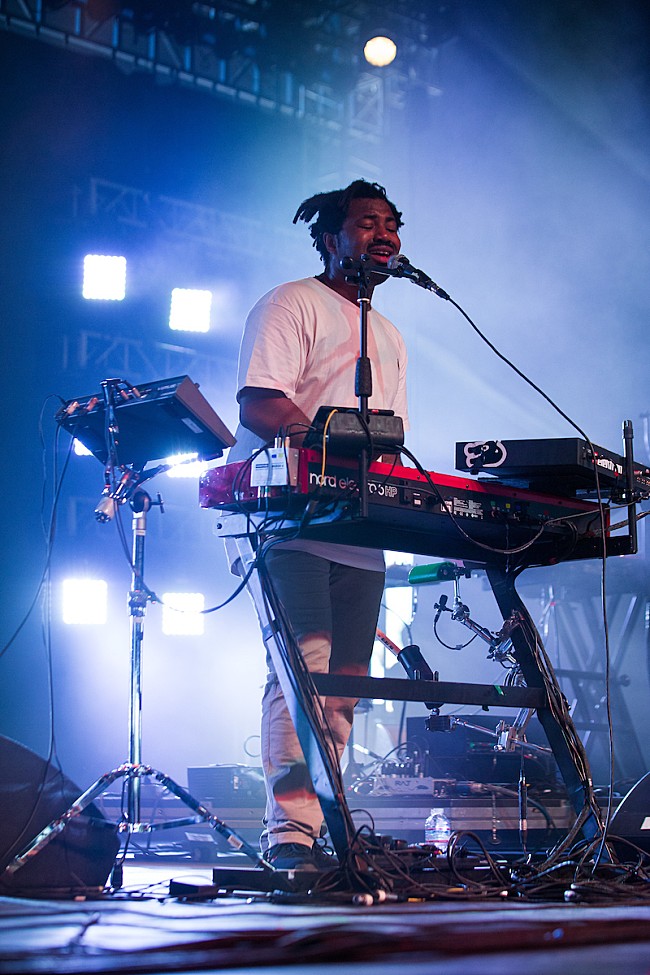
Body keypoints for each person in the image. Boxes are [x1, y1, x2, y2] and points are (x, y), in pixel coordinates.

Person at [227, 179, 409, 870]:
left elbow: (390, 437)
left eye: (392, 224)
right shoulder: (291, 302)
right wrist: (322, 446)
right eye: (368, 223)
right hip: (291, 518)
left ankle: (328, 819)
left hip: (360, 527)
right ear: (330, 236)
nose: (385, 234)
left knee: (347, 684)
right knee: (303, 670)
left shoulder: (388, 332)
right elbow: (261, 405)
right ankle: (292, 832)